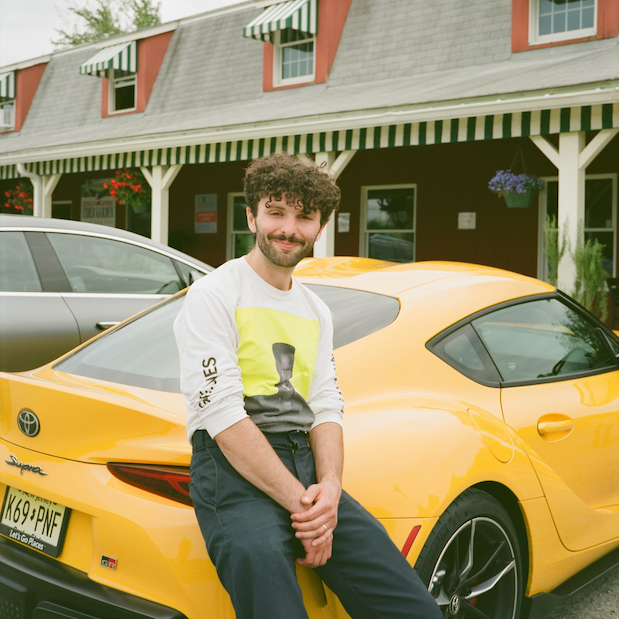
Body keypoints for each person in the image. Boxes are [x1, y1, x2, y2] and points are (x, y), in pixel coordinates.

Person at [173, 154, 441, 619]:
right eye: (276, 212)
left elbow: (325, 405)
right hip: (232, 473)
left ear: (319, 228)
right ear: (253, 215)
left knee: (413, 609)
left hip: (308, 468)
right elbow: (223, 418)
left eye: (305, 217)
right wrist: (308, 513)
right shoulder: (214, 294)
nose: (289, 229)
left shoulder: (315, 309)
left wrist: (331, 488)